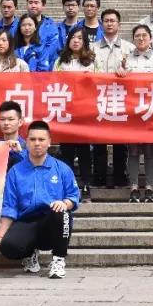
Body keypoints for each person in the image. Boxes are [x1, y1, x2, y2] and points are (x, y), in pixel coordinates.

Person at [0, 121, 79, 280]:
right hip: (26, 221)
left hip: (51, 221)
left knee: (62, 213)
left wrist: (64, 203)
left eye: (41, 139)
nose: (37, 143)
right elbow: (9, 207)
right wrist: (0, 236)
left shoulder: (62, 168)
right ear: (26, 142)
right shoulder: (16, 171)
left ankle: (58, 260)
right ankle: (30, 253)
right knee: (8, 247)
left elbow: (74, 197)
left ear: (49, 142)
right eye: (32, 139)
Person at [118, 24, 153, 203]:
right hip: (132, 111)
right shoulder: (125, 59)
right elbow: (117, 80)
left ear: (151, 39)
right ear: (133, 39)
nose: (141, 38)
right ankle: (133, 187)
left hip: (151, 111)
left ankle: (149, 188)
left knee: (149, 151)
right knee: (132, 151)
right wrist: (119, 72)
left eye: (144, 35)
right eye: (137, 36)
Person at [53, 28, 95, 202]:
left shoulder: (91, 61)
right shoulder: (60, 61)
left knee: (84, 151)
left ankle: (86, 185)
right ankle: (67, 186)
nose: (76, 41)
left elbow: (99, 83)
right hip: (66, 112)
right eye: (73, 37)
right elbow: (53, 82)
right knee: (67, 151)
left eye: (80, 38)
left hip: (85, 113)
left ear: (85, 41)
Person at [93, 9, 133, 190]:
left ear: (119, 24)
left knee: (120, 141)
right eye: (106, 21)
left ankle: (120, 176)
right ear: (101, 24)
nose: (109, 24)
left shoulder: (129, 48)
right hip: (98, 99)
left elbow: (136, 71)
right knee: (99, 141)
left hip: (121, 100)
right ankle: (99, 177)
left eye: (113, 21)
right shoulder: (92, 48)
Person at [26, 0, 62, 65]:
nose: (33, 5)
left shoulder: (51, 27)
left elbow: (51, 50)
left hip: (45, 68)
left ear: (43, 5)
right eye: (30, 2)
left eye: (36, 3)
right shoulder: (20, 25)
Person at [0, 100, 28, 170]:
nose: (6, 123)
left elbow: (35, 171)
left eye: (10, 119)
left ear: (20, 122)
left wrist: (20, 153)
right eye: (2, 119)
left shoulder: (29, 148)